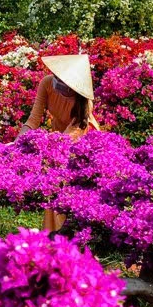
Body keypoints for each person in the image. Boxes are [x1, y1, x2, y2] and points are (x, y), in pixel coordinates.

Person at [23, 54, 100, 232]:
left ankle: (67, 235)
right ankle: (53, 234)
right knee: (54, 187)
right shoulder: (47, 83)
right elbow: (33, 119)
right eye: (57, 78)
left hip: (81, 140)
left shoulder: (84, 104)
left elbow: (66, 139)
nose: (58, 84)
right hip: (58, 138)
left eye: (64, 83)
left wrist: (43, 147)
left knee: (62, 185)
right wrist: (19, 141)